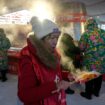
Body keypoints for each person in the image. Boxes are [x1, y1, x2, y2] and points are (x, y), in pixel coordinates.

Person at [18, 16, 71, 105]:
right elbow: (25, 95)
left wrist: (66, 75)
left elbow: (54, 74)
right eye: (51, 38)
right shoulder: (28, 58)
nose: (55, 42)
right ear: (41, 39)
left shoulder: (53, 52)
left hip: (55, 100)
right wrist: (56, 86)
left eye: (57, 38)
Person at [79, 18, 105, 99]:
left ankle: (88, 94)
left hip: (90, 61)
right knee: (99, 75)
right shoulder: (103, 32)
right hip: (102, 60)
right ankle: (96, 92)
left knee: (89, 76)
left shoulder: (86, 34)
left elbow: (81, 48)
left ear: (87, 24)